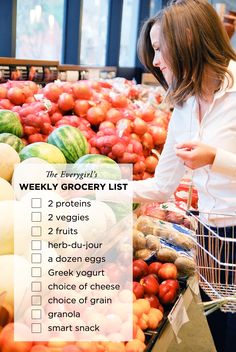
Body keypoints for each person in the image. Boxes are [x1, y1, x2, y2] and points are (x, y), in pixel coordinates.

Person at [133, 0, 236, 351]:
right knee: (220, 333)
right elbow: (162, 186)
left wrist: (216, 159)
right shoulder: (185, 104)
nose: (157, 60)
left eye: (160, 48)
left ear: (188, 38)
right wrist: (98, 189)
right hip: (213, 241)